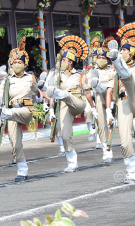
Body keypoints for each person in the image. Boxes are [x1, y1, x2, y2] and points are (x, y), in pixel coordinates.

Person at [106, 22, 135, 183]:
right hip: (123, 102)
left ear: (132, 52)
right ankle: (132, 172)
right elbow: (112, 90)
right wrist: (110, 108)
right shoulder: (114, 72)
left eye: (123, 50)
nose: (123, 51)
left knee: (130, 81)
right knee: (125, 142)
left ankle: (116, 61)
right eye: (120, 50)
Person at [0, 38, 43, 181]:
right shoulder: (7, 80)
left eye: (19, 62)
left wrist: (40, 95)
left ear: (25, 64)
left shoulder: (30, 78)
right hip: (10, 111)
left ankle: (4, 114)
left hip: (26, 109)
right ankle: (22, 170)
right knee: (15, 143)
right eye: (14, 62)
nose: (16, 64)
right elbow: (0, 97)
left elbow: (37, 93)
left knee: (15, 114)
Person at [44, 35, 88, 172]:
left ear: (71, 62)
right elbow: (49, 90)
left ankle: (63, 94)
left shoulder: (80, 74)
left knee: (66, 94)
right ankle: (72, 161)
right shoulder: (57, 74)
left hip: (77, 103)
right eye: (61, 59)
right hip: (63, 104)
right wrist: (50, 108)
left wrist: (92, 108)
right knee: (65, 134)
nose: (61, 61)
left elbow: (86, 92)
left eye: (64, 60)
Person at [88, 37, 117, 162]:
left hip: (112, 99)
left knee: (114, 123)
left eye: (103, 58)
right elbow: (87, 89)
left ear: (108, 60)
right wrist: (92, 107)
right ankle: (107, 150)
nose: (100, 60)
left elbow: (111, 90)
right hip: (99, 98)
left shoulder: (112, 71)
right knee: (101, 124)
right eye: (98, 58)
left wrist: (110, 108)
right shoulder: (93, 72)